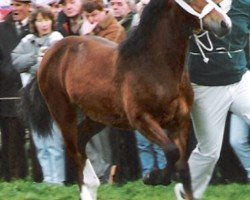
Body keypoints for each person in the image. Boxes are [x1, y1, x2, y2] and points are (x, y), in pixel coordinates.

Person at [174, 0, 250, 199]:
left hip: (240, 79)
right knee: (209, 152)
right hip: (205, 88)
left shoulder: (244, 5)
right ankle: (186, 193)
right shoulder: (191, 6)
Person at [11, 6, 65, 185]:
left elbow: (52, 68)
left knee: (54, 141)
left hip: (51, 97)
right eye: (39, 20)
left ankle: (58, 181)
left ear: (52, 21)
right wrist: (36, 58)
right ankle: (48, 180)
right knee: (40, 142)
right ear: (34, 23)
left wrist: (35, 66)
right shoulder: (27, 40)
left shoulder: (58, 40)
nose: (43, 24)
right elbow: (17, 62)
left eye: (46, 19)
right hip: (32, 97)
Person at [81, 0, 126, 183]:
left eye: (94, 15)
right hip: (95, 91)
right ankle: (97, 172)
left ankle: (108, 173)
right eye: (88, 16)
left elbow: (104, 58)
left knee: (107, 138)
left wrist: (87, 35)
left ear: (103, 11)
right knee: (94, 136)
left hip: (113, 92)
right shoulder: (95, 30)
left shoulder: (115, 30)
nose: (92, 19)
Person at [0, 0, 31, 181]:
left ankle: (41, 177)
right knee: (11, 136)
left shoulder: (36, 26)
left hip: (34, 91)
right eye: (13, 4)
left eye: (20, 4)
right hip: (8, 92)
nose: (16, 8)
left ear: (28, 6)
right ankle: (12, 178)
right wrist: (8, 71)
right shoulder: (2, 30)